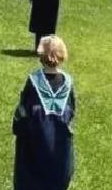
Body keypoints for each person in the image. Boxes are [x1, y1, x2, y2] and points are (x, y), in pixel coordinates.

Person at [11, 35, 77, 190]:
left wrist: (18, 128)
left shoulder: (34, 81)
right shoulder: (68, 83)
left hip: (33, 146)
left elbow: (22, 112)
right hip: (59, 147)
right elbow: (71, 111)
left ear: (41, 55)